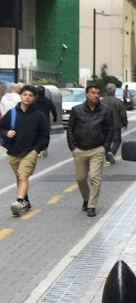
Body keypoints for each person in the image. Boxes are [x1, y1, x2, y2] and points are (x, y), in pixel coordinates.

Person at [67, 82, 114, 218]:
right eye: (93, 93)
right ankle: (86, 198)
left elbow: (110, 129)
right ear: (87, 94)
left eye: (98, 93)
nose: (96, 95)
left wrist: (105, 147)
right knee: (81, 178)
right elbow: (70, 129)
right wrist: (72, 146)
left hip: (97, 149)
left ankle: (92, 205)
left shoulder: (106, 111)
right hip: (79, 149)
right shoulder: (77, 110)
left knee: (95, 178)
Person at [4, 85, 50, 216]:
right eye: (25, 95)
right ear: (21, 96)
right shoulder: (12, 113)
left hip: (30, 151)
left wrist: (37, 149)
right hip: (14, 150)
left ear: (34, 98)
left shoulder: (39, 116)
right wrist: (6, 133)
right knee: (19, 177)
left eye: (30, 95)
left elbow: (44, 135)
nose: (27, 97)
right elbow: (1, 128)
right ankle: (25, 201)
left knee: (23, 176)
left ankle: (19, 202)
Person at [100, 83, 128, 165]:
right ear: (114, 91)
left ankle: (108, 156)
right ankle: (111, 153)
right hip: (115, 125)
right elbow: (123, 115)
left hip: (104, 125)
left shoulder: (101, 102)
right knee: (117, 140)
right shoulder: (118, 102)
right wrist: (125, 123)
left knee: (106, 141)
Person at [32, 85, 58, 158]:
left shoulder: (34, 101)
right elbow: (54, 110)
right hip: (46, 121)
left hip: (35, 121)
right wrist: (55, 118)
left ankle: (37, 151)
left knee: (36, 136)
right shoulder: (48, 101)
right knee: (45, 135)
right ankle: (45, 148)